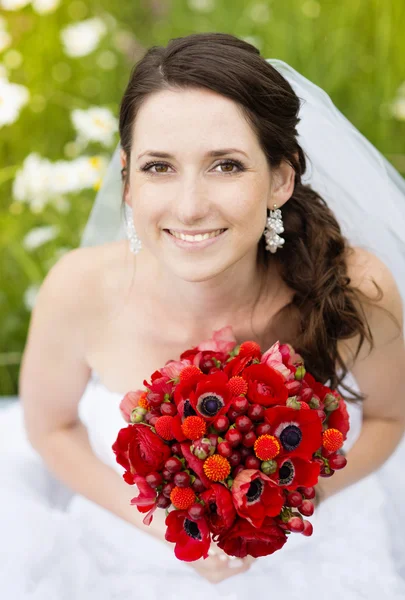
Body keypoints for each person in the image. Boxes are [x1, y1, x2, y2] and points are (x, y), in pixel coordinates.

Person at [1, 32, 405, 600]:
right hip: (132, 547)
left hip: (312, 537)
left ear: (281, 179)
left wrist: (285, 503)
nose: (189, 206)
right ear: (126, 179)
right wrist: (163, 527)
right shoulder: (78, 290)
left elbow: (390, 417)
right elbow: (48, 427)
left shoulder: (356, 288)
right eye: (159, 166)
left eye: (226, 165)